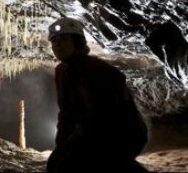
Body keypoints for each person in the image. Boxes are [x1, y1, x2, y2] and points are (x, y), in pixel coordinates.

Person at [46, 17, 149, 173]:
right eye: (54, 41)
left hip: (124, 133)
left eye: (63, 39)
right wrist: (61, 144)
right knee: (54, 163)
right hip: (91, 131)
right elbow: (66, 113)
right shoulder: (61, 72)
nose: (57, 44)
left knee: (77, 163)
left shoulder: (101, 71)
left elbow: (108, 118)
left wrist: (78, 144)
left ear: (77, 42)